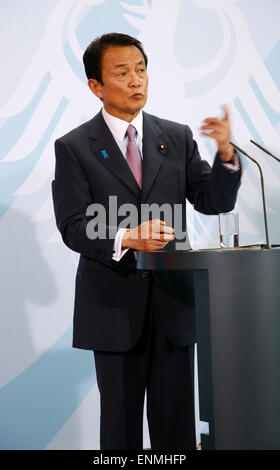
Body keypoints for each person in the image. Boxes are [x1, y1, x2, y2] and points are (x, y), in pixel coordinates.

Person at [52, 33, 241, 450]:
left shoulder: (175, 137)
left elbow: (211, 200)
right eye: (122, 72)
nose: (136, 79)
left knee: (175, 434)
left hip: (173, 307)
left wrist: (226, 155)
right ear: (96, 87)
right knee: (120, 435)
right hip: (113, 309)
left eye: (141, 69)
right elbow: (72, 225)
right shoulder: (74, 147)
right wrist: (126, 237)